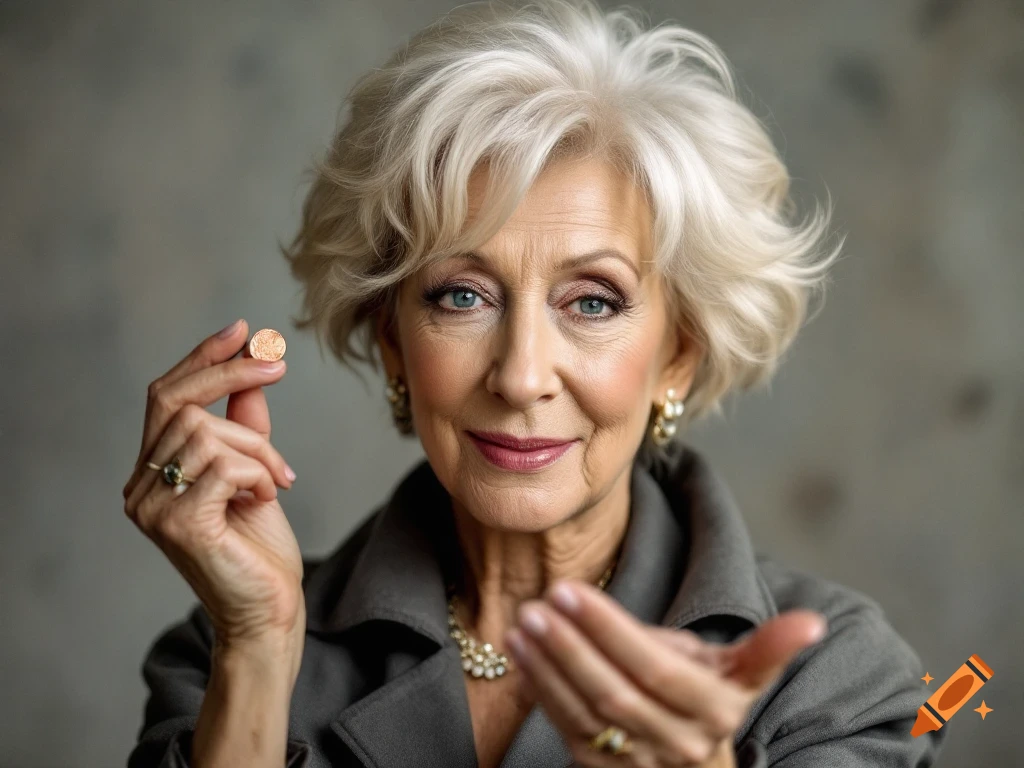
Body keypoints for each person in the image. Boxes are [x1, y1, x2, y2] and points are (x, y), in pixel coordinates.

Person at [122, 1, 947, 766]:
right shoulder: (225, 651)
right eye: (462, 296)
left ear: (679, 354)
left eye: (592, 302)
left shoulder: (839, 680)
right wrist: (259, 651)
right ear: (393, 341)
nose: (520, 377)